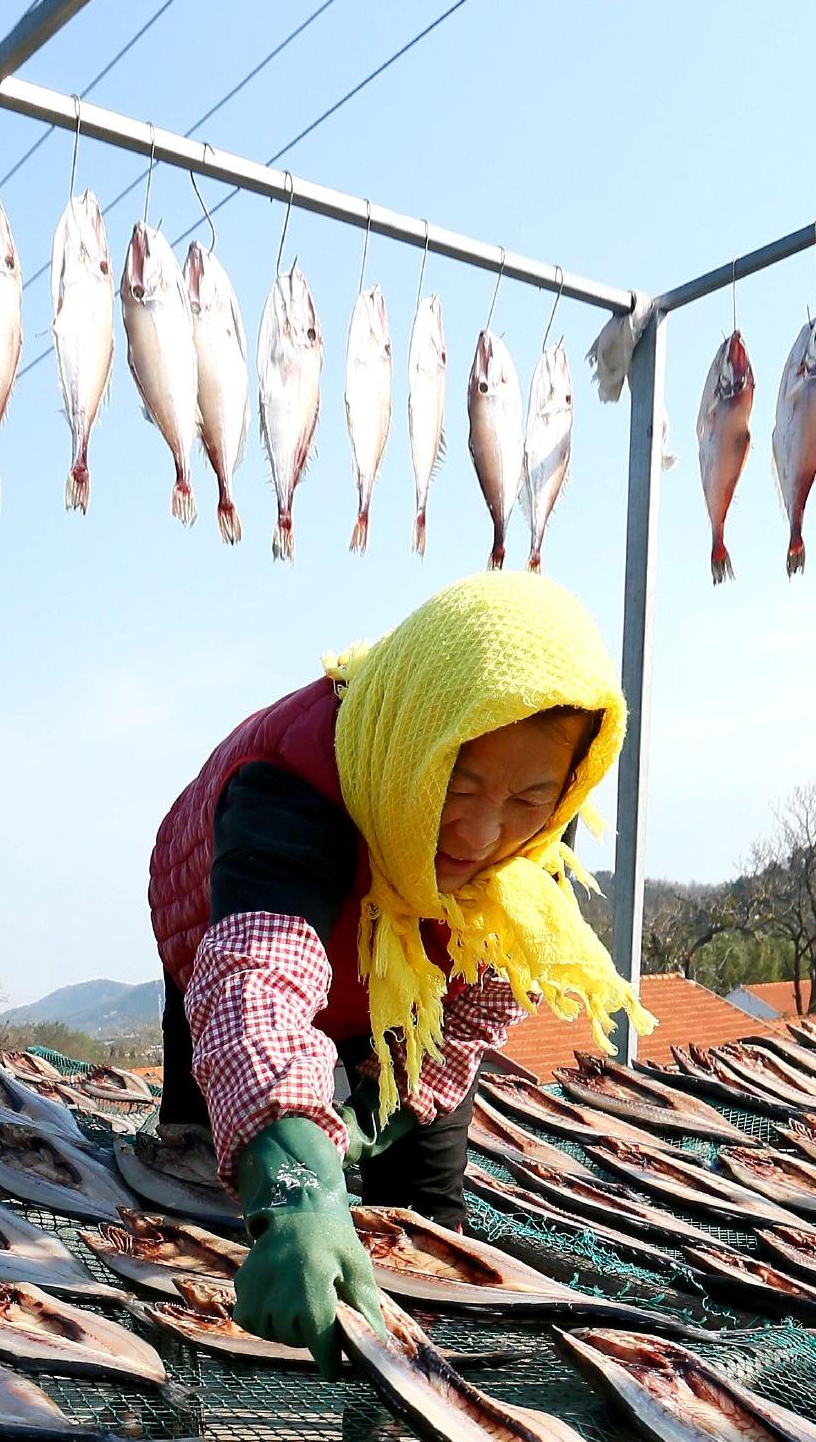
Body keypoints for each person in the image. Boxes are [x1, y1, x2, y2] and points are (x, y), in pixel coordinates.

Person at [147, 570, 648, 1365]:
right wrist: (297, 1180)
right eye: (462, 778)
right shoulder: (291, 789)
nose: (484, 831)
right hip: (217, 932)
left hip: (406, 978)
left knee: (422, 1211)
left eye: (528, 799)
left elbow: (472, 1013)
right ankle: (177, 1379)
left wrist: (389, 1114)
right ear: (421, 736)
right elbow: (253, 988)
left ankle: (398, 1410)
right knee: (208, 1166)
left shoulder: (521, 866)